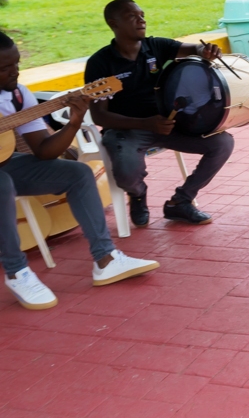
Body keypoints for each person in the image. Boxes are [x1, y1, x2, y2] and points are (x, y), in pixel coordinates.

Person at [0, 31, 159, 310]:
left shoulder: (16, 95)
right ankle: (17, 271)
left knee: (77, 173)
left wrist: (73, 122)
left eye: (16, 64)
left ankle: (106, 259)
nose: (14, 73)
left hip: (6, 163)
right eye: (4, 68)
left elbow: (43, 151)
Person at [85, 0, 235, 227]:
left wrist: (203, 50)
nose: (141, 19)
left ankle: (181, 202)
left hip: (167, 125)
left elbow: (191, 49)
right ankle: (137, 194)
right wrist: (146, 124)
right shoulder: (100, 63)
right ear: (113, 23)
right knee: (126, 174)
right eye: (132, 16)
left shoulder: (155, 46)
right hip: (126, 130)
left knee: (222, 143)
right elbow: (99, 117)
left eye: (142, 14)